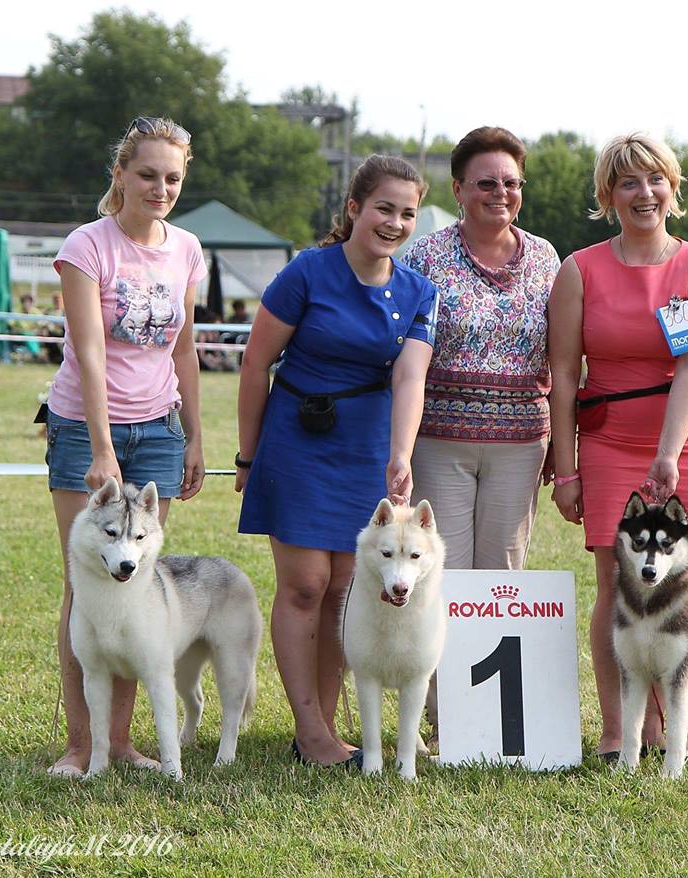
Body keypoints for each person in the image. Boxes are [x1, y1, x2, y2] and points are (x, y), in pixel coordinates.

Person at [235, 155, 438, 766]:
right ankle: (311, 729)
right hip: (297, 441)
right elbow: (255, 363)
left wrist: (400, 454)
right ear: (354, 208)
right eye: (384, 208)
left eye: (407, 213)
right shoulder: (306, 271)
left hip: (367, 450)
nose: (394, 222)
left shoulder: (419, 292)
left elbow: (410, 378)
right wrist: (248, 454)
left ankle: (322, 726)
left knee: (345, 592)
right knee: (306, 585)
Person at [547, 132, 688, 760]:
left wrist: (668, 454)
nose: (644, 192)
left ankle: (671, 723)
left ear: (673, 188)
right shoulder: (579, 270)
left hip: (684, 438)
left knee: (677, 583)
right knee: (615, 582)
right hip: (607, 440)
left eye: (655, 179)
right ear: (609, 196)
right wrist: (565, 470)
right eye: (627, 182)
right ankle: (620, 730)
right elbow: (563, 374)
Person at [45, 116, 207, 777]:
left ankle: (119, 741)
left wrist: (194, 436)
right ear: (121, 173)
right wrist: (103, 448)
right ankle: (80, 744)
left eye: (172, 178)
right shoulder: (87, 245)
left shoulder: (188, 248)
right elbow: (88, 351)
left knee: (135, 582)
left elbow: (185, 349)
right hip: (85, 426)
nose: (160, 188)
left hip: (160, 427)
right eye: (147, 174)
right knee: (83, 583)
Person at [401, 126, 560, 571]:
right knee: (440, 570)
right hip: (438, 441)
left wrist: (563, 447)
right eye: (486, 183)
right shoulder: (424, 258)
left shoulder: (547, 259)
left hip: (521, 444)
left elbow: (563, 359)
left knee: (501, 575)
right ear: (458, 189)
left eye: (511, 182)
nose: (501, 193)